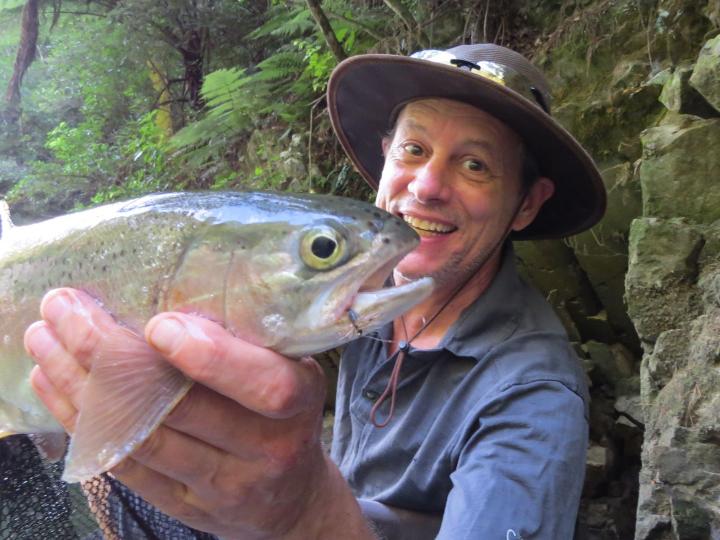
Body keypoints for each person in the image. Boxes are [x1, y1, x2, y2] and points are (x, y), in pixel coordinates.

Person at [24, 43, 605, 539]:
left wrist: (305, 513)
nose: (426, 187)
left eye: (475, 165)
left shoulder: (535, 397)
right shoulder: (365, 287)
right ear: (385, 159)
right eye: (414, 149)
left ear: (527, 204)